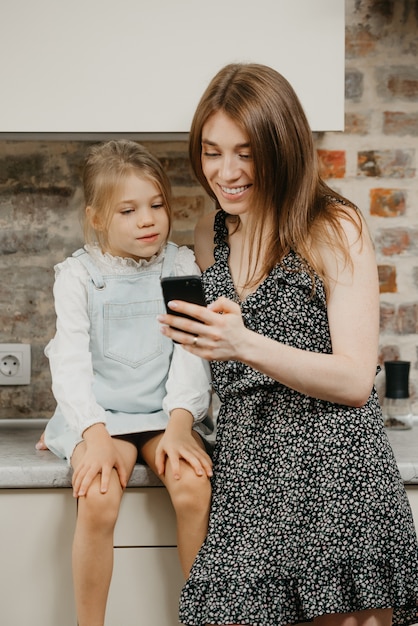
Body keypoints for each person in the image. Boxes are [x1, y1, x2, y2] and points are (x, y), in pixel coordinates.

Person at [157, 63, 418, 626]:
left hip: (334, 478)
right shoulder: (212, 232)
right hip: (247, 479)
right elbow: (218, 355)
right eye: (211, 151)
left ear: (282, 147)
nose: (225, 172)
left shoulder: (333, 225)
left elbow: (353, 380)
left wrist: (243, 343)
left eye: (245, 152)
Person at [40, 139, 213, 626]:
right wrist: (90, 436)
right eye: (129, 210)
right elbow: (69, 358)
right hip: (103, 419)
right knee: (97, 497)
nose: (148, 220)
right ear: (97, 218)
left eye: (157, 205)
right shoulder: (77, 275)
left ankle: (199, 618)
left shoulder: (179, 266)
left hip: (164, 416)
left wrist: (181, 426)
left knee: (194, 486)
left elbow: (192, 352)